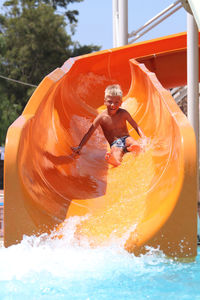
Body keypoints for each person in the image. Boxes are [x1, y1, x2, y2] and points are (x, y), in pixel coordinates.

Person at [71, 84, 146, 166]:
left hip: (126, 138)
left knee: (130, 141)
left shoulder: (123, 113)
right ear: (105, 101)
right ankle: (116, 160)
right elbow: (89, 133)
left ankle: (135, 147)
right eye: (110, 101)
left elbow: (136, 126)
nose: (113, 105)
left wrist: (143, 137)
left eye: (116, 102)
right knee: (116, 151)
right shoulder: (101, 117)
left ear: (120, 103)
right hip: (115, 143)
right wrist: (80, 147)